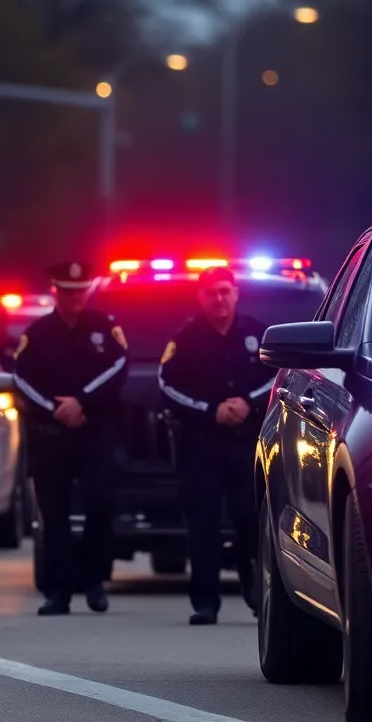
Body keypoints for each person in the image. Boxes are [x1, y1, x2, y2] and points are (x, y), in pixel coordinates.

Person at [157, 265, 272, 625]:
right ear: (200, 297)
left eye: (225, 291)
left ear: (236, 293)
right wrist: (212, 411)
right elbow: (167, 385)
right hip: (201, 445)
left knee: (249, 517)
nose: (219, 299)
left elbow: (281, 377)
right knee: (202, 522)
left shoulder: (258, 333)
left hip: (248, 443)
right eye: (211, 292)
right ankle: (205, 602)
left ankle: (255, 587)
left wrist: (248, 404)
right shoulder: (186, 337)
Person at [13, 260, 128, 615]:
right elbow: (21, 378)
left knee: (99, 503)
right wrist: (54, 408)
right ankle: (57, 592)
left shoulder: (105, 328)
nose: (74, 297)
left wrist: (82, 402)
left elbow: (119, 366)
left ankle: (93, 581)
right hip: (50, 435)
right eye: (67, 291)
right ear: (55, 292)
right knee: (54, 514)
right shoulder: (38, 333)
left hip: (94, 433)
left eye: (79, 291)